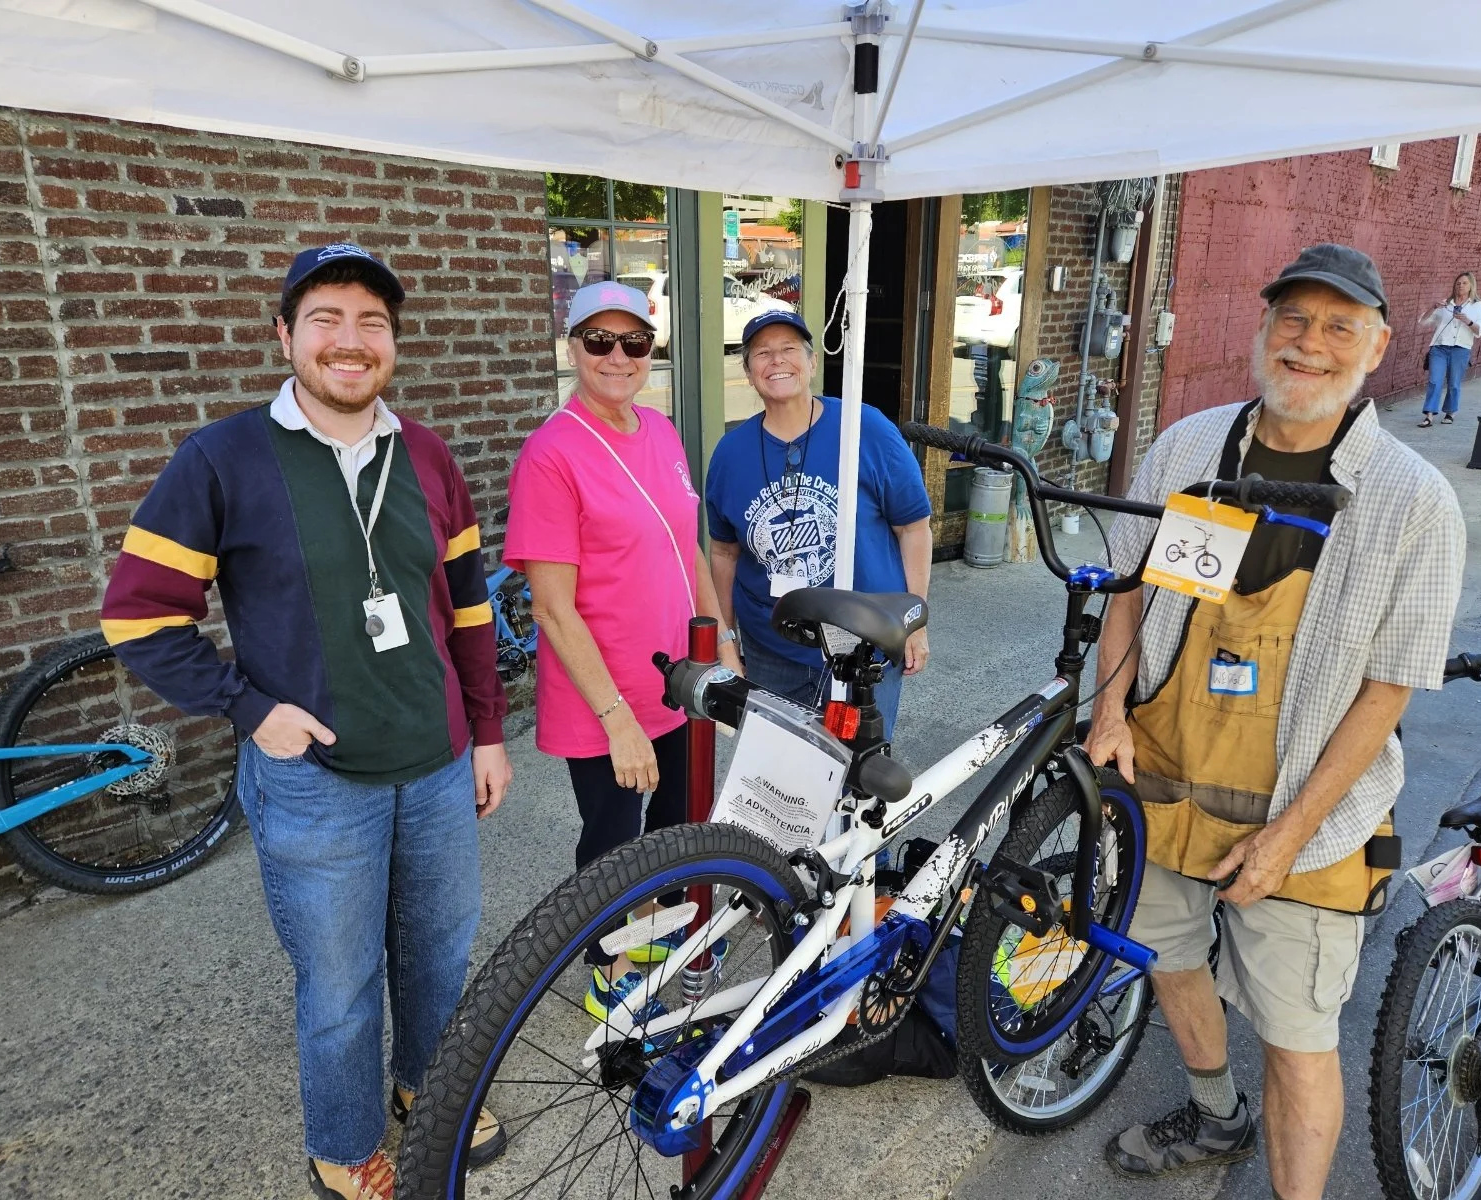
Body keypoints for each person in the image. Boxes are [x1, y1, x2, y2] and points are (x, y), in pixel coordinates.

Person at [99, 243, 512, 1200]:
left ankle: (427, 1089)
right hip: (316, 778)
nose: (350, 341)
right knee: (339, 985)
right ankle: (343, 1140)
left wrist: (487, 730)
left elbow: (470, 609)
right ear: (285, 335)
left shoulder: (431, 456)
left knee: (441, 952)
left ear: (393, 344)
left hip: (440, 760)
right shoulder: (222, 458)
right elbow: (138, 617)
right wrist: (248, 710)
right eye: (325, 318)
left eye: (372, 323)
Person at [1084, 244, 1465, 1200]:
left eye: (1340, 326)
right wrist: (1108, 710)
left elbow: (1390, 689)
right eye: (1293, 319)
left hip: (1309, 817)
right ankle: (1216, 1114)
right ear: (1263, 332)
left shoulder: (1413, 501)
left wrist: (1288, 837)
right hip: (1162, 783)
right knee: (1169, 960)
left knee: (1299, 1037)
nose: (1310, 344)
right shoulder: (1188, 448)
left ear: (1376, 350)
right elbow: (1125, 591)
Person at [503, 281, 738, 1020]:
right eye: (598, 341)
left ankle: (668, 942)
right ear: (572, 347)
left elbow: (688, 549)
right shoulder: (552, 453)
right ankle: (610, 967)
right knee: (614, 842)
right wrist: (617, 718)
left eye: (633, 342)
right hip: (603, 694)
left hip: (680, 679)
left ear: (650, 350)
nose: (617, 356)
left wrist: (723, 643)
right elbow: (551, 605)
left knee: (678, 823)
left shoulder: (661, 431)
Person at [704, 311, 932, 738]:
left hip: (865, 646)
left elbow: (913, 527)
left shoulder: (865, 429)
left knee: (857, 784)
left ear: (811, 363)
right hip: (772, 650)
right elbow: (723, 552)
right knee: (778, 782)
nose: (777, 361)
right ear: (748, 372)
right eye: (763, 353)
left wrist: (914, 623)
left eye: (789, 349)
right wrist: (727, 638)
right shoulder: (730, 454)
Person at [1417, 270, 1481, 427]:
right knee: (1435, 380)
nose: (1460, 286)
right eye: (1458, 283)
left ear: (1471, 286)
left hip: (1460, 349)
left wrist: (1467, 321)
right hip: (1439, 347)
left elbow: (1480, 330)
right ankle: (1429, 415)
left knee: (1454, 383)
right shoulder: (1445, 304)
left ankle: (1450, 412)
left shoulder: (1477, 306)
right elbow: (1423, 321)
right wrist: (1433, 307)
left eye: (1464, 283)